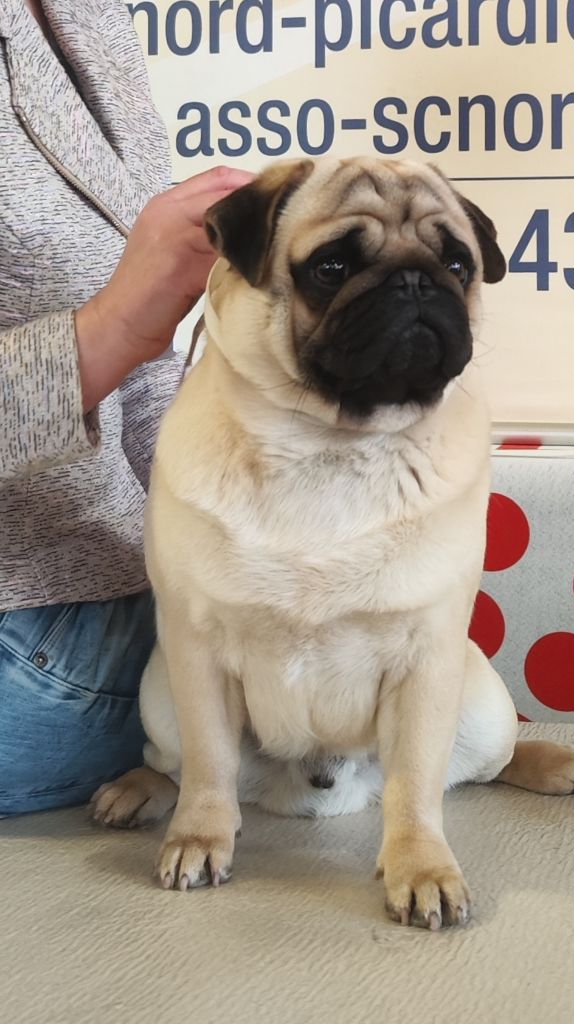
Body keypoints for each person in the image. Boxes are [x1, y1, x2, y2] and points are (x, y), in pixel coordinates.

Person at [0, 0, 253, 814]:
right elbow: (123, 323)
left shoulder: (89, 16)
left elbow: (145, 360)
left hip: (114, 596)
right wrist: (104, 332)